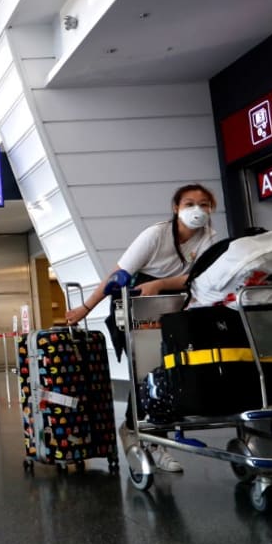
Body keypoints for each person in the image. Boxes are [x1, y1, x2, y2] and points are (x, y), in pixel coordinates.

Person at [64, 183, 218, 474]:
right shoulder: (155, 235)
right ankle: (142, 435)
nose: (197, 210)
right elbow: (117, 275)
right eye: (189, 203)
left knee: (169, 371)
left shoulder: (209, 238)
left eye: (204, 204)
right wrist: (86, 307)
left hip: (172, 305)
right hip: (134, 302)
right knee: (145, 370)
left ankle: (146, 434)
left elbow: (199, 277)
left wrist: (161, 284)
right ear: (176, 208)